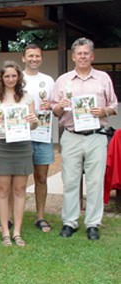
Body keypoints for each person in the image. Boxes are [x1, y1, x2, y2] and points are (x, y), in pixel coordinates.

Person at [51, 37, 118, 241]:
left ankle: (92, 224)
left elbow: (113, 106)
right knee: (70, 180)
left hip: (96, 136)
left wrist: (104, 110)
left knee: (95, 181)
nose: (82, 56)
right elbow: (54, 110)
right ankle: (69, 222)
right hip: (71, 136)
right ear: (73, 56)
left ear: (92, 56)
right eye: (79, 53)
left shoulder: (103, 78)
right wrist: (60, 105)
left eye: (86, 53)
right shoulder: (63, 80)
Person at [0, 60, 38, 247]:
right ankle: (5, 232)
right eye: (7, 76)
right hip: (1, 145)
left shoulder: (27, 97)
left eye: (14, 75)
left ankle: (17, 232)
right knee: (2, 190)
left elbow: (34, 123)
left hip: (22, 145)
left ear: (19, 77)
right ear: (1, 77)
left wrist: (33, 120)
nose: (10, 79)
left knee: (20, 190)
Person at [21, 44, 55, 232]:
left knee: (41, 177)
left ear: (41, 58)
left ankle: (40, 216)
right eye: (30, 56)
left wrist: (51, 105)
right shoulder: (17, 78)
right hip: (21, 135)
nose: (34, 59)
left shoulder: (49, 80)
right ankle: (11, 216)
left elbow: (57, 105)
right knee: (19, 177)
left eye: (37, 55)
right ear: (24, 58)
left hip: (42, 134)